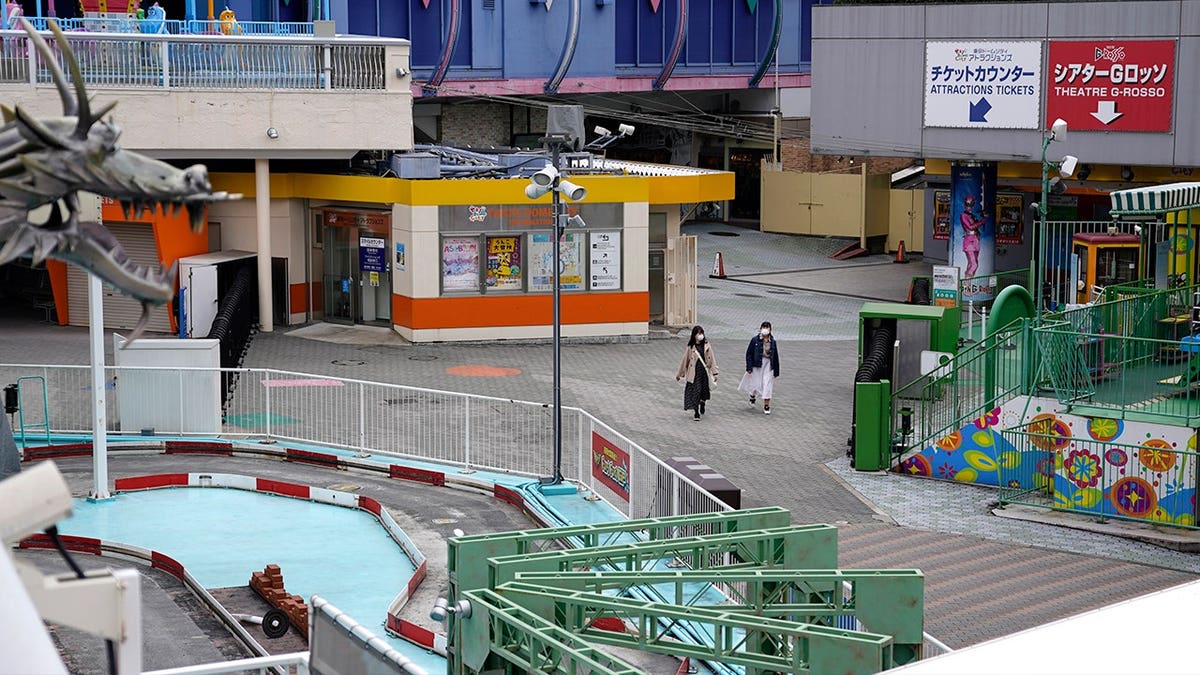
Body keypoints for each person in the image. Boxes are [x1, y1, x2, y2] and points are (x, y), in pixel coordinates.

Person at [676, 325, 718, 421]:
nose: (700, 335)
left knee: (704, 391)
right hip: (694, 373)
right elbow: (685, 361)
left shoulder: (707, 345)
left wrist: (715, 373)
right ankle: (696, 412)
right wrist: (680, 374)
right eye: (698, 333)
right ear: (694, 335)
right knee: (696, 391)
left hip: (704, 373)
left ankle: (702, 403)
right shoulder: (691, 347)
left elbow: (712, 359)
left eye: (701, 333)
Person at [739, 321, 780, 414]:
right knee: (756, 383)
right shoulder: (755, 340)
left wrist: (776, 371)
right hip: (757, 363)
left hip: (768, 364)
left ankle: (766, 405)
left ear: (770, 330)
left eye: (767, 327)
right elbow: (749, 353)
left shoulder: (773, 342)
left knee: (767, 384)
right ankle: (752, 395)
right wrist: (749, 367)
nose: (765, 329)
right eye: (764, 327)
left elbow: (776, 356)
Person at [960, 193, 985, 278]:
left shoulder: (972, 216)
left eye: (971, 204)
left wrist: (983, 218)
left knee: (973, 263)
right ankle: (966, 286)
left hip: (975, 240)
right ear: (964, 204)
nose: (969, 206)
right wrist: (981, 222)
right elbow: (970, 227)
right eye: (967, 204)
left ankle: (967, 287)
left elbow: (975, 226)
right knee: (973, 264)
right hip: (969, 241)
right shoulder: (963, 215)